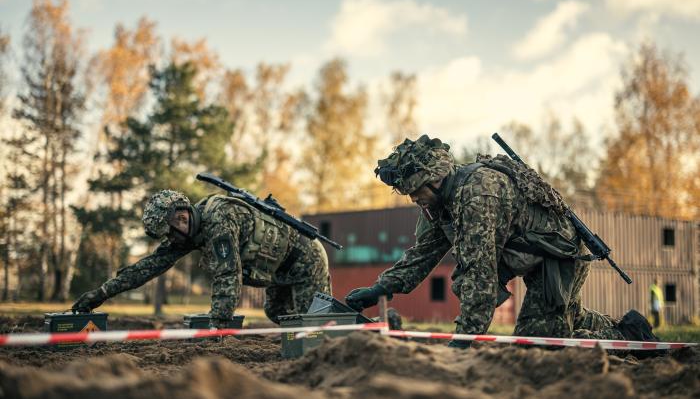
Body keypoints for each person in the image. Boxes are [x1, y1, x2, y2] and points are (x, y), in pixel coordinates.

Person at [345, 135, 657, 347]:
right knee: (563, 322)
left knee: (535, 343)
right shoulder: (439, 204)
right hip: (529, 254)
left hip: (557, 256)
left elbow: (481, 275)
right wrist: (382, 287)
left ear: (436, 180)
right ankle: (627, 330)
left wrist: (464, 343)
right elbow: (422, 254)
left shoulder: (478, 194)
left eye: (416, 191)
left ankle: (627, 335)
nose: (414, 199)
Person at [72, 189, 331, 326]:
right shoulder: (186, 232)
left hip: (306, 260)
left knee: (316, 323)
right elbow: (147, 267)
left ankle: (347, 341)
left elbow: (228, 274)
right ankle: (303, 347)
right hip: (278, 270)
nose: (170, 241)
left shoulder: (220, 221)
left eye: (170, 233)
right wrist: (101, 294)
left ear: (182, 218)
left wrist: (218, 323)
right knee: (276, 312)